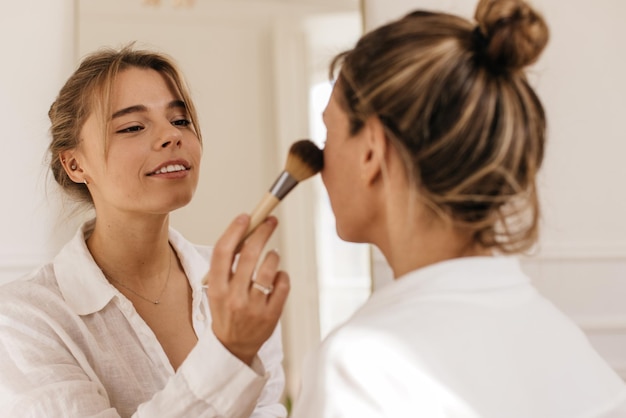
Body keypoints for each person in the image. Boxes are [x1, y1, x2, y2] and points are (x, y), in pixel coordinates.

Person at [292, 0, 626, 416]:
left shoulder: (360, 368)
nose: (322, 161)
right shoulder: (571, 349)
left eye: (330, 133)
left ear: (371, 152)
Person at [0, 46, 290, 417]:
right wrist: (229, 350)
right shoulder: (26, 319)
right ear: (74, 163)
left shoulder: (236, 288)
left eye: (180, 121)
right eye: (133, 127)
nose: (171, 136)